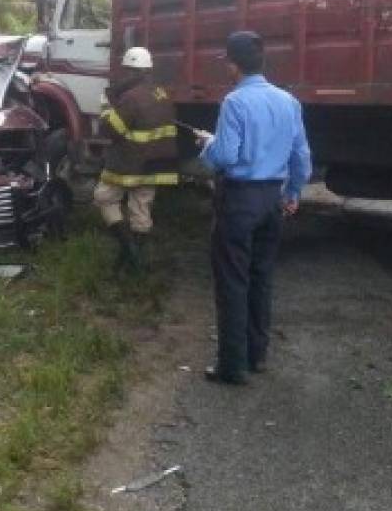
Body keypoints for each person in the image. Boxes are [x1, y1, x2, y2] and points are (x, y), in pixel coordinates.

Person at [194, 31, 312, 386]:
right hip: (272, 200)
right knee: (261, 278)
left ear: (232, 64)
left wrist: (207, 146)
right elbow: (301, 157)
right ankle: (257, 355)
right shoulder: (288, 101)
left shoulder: (234, 102)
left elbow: (226, 156)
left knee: (232, 281)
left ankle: (232, 366)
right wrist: (293, 192)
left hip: (240, 200)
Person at [93, 47, 178, 273]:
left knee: (104, 198)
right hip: (157, 164)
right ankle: (133, 264)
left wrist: (104, 108)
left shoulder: (131, 97)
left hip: (130, 163)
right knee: (141, 209)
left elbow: (110, 130)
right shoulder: (161, 92)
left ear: (131, 71)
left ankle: (130, 251)